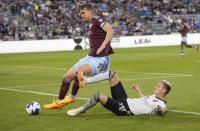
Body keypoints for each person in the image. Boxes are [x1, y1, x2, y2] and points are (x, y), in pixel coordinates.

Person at [44, 3, 114, 109]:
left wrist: (103, 45)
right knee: (66, 77)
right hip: (90, 57)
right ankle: (59, 102)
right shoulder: (89, 23)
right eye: (80, 13)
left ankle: (71, 97)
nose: (81, 15)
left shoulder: (97, 20)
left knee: (78, 72)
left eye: (83, 13)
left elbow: (110, 30)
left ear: (90, 12)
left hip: (101, 59)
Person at [67, 71, 171, 116]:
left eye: (158, 86)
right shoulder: (154, 96)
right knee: (112, 74)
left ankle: (81, 110)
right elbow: (144, 102)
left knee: (98, 96)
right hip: (125, 100)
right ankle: (86, 81)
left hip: (124, 109)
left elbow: (161, 110)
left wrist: (160, 110)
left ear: (164, 91)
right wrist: (138, 90)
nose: (155, 87)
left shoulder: (161, 104)